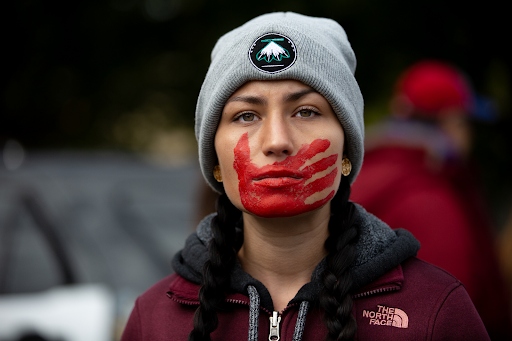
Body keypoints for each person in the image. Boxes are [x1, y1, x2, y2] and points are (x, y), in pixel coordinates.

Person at [120, 13, 489, 340]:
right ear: (214, 159)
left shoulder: (436, 310)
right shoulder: (153, 318)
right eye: (246, 115)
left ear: (347, 150)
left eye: (307, 112)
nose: (277, 141)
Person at [350, 60, 512, 339]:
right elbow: (452, 310)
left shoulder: (363, 175)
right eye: (466, 122)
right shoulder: (432, 197)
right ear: (453, 122)